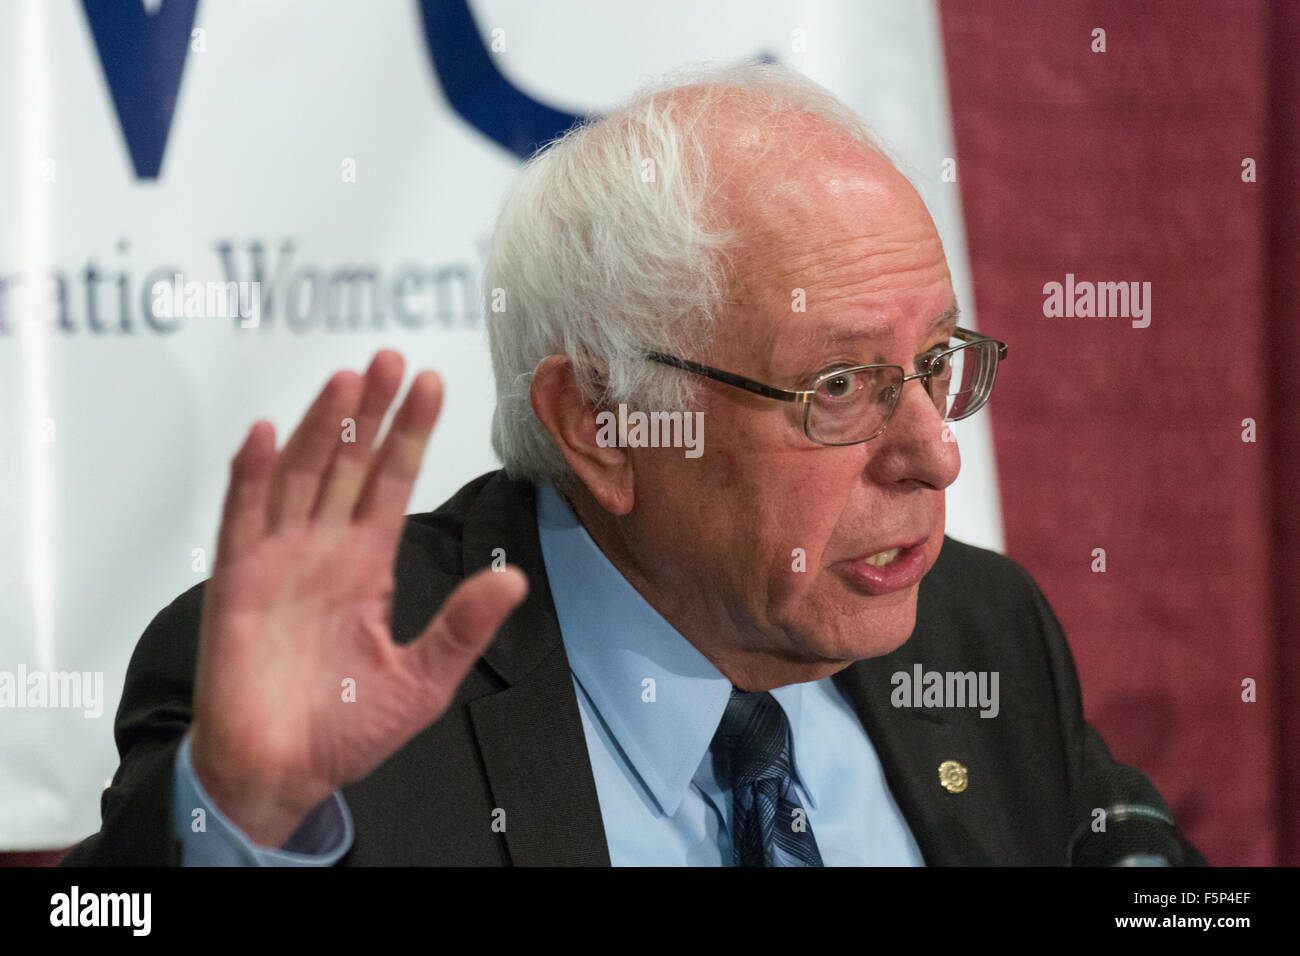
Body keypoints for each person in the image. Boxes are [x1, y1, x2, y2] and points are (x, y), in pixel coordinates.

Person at [63, 63, 1203, 866]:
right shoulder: (341, 687)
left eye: (937, 360)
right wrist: (238, 823)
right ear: (601, 420)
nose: (935, 453)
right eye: (839, 388)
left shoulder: (977, 629)